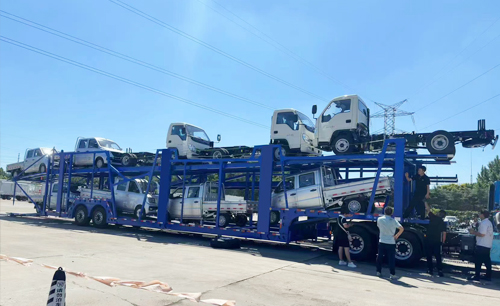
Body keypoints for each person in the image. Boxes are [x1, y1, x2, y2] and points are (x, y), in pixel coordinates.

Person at [376, 207, 404, 280]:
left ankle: (378, 271)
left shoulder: (380, 219)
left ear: (384, 212)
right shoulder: (393, 221)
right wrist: (396, 235)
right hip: (391, 241)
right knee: (391, 259)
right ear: (392, 213)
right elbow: (401, 228)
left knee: (380, 257)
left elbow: (378, 226)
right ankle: (392, 274)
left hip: (382, 240)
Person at [468, 210, 494, 281]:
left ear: (482, 215)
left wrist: (473, 232)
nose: (479, 215)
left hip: (482, 244)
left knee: (478, 261)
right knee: (487, 261)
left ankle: (477, 275)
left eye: (480, 214)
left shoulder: (484, 223)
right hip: (487, 244)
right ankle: (488, 276)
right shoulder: (488, 222)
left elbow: (482, 234)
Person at [424, 202, 447, 277]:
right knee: (438, 256)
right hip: (437, 241)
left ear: (439, 214)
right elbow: (444, 233)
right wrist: (443, 242)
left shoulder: (433, 217)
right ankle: (440, 270)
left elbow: (428, 210)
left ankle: (430, 270)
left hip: (429, 239)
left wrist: (425, 202)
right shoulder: (443, 223)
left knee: (429, 255)